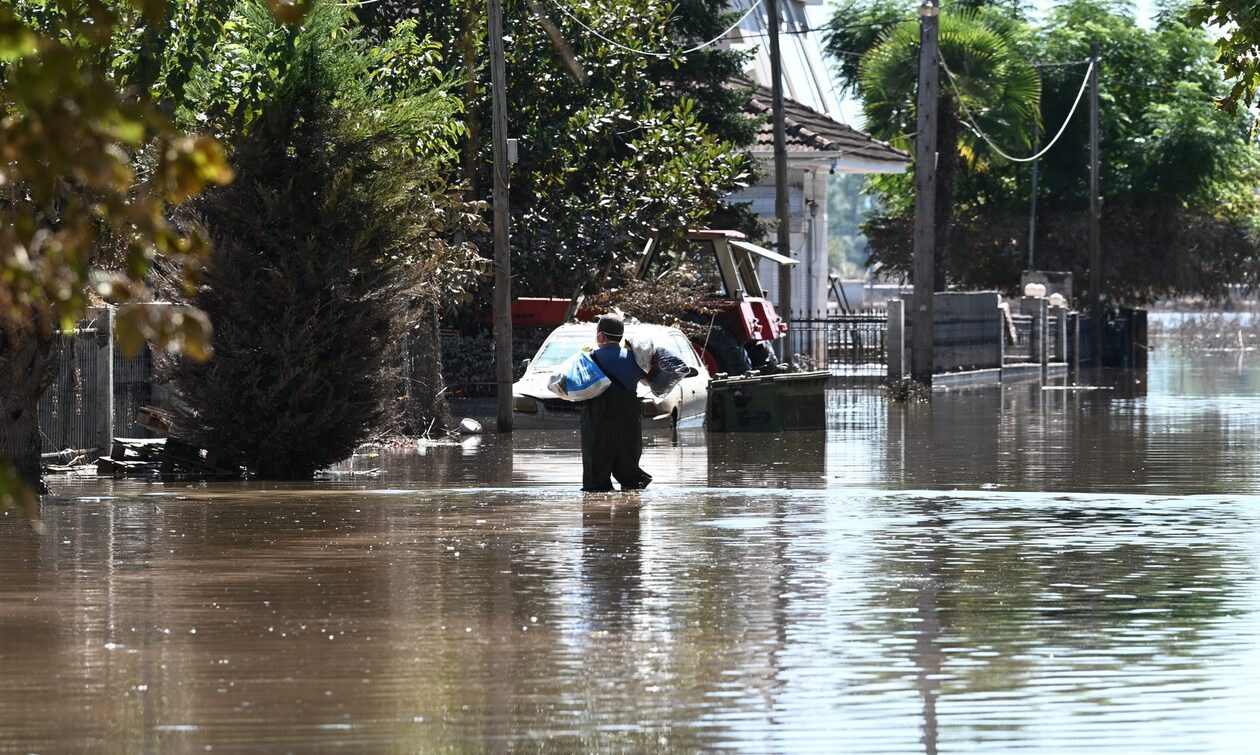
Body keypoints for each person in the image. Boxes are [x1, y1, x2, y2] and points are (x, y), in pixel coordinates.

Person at [580, 314, 652, 492]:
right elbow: (648, 382)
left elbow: (572, 387)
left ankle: (597, 516)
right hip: (628, 425)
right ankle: (630, 515)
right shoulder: (634, 359)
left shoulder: (588, 359)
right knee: (632, 483)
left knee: (595, 486)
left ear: (601, 336)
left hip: (597, 425)